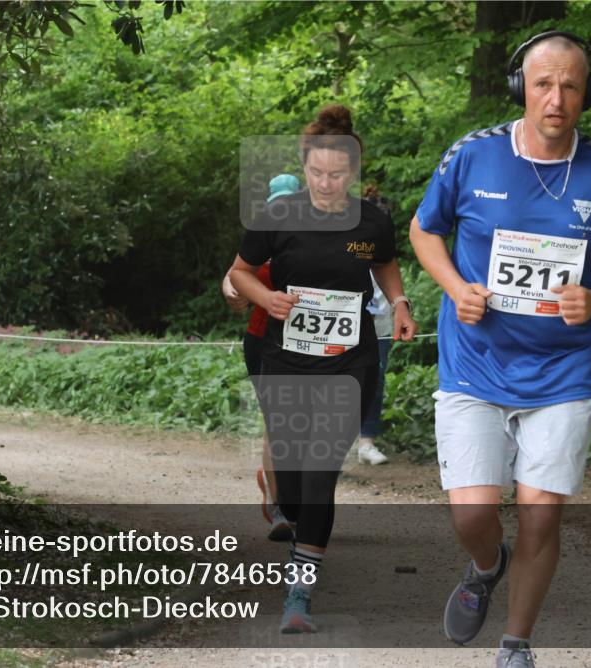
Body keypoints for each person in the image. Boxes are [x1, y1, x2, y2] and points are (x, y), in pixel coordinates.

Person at [408, 32, 591, 667]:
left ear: (586, 94)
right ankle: (488, 563)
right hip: (475, 363)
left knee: (541, 515)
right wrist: (457, 287)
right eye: (544, 83)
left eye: (571, 86)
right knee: (471, 513)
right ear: (522, 86)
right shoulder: (473, 156)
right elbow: (424, 228)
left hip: (562, 371)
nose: (557, 98)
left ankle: (515, 645)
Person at [229, 104, 417, 633]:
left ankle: (300, 594)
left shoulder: (372, 219)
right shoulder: (277, 215)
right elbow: (240, 274)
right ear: (305, 167)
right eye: (318, 173)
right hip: (286, 361)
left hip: (349, 362)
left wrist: (399, 302)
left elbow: (384, 263)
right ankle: (284, 506)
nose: (327, 184)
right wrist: (267, 296)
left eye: (337, 175)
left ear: (351, 173)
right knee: (291, 478)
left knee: (319, 475)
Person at [222, 173, 301, 542]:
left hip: (314, 342)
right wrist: (232, 293)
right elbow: (233, 275)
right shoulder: (261, 235)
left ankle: (300, 501)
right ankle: (279, 506)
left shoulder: (316, 235)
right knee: (278, 420)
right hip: (263, 339)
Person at [357, 184, 394, 465]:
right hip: (347, 322)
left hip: (380, 322)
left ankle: (366, 442)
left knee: (375, 380)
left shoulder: (387, 252)